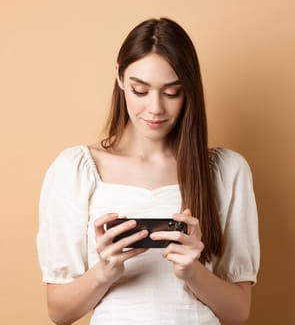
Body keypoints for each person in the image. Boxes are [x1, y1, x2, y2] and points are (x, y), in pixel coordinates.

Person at [36, 17, 260, 325]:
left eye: (172, 92)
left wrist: (192, 272)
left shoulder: (226, 171)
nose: (155, 108)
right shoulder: (74, 170)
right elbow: (59, 312)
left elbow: (238, 314)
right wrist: (105, 271)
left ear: (190, 90)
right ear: (119, 78)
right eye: (140, 90)